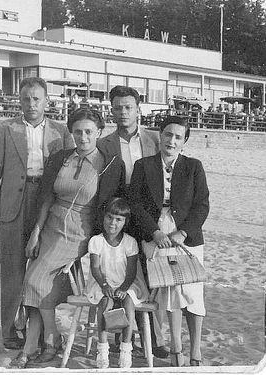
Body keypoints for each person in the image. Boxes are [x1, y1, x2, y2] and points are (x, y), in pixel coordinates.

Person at [10, 108, 125, 368]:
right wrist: (35, 234)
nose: (82, 137)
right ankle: (42, 344)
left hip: (80, 231)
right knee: (37, 283)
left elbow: (111, 207)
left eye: (88, 132)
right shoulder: (61, 157)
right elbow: (46, 198)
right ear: (70, 132)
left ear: (99, 132)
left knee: (34, 279)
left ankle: (47, 343)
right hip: (50, 225)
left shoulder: (109, 163)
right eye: (77, 132)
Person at [0, 77, 75, 350]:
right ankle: (9, 330)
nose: (31, 104)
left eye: (37, 99)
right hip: (12, 205)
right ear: (19, 101)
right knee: (12, 271)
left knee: (39, 270)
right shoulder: (5, 129)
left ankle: (35, 330)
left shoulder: (61, 132)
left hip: (47, 203)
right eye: (26, 99)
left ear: (47, 101)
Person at [129, 115, 209, 366]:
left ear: (184, 141)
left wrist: (182, 232)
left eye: (177, 137)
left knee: (192, 291)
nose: (171, 141)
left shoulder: (193, 166)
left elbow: (202, 205)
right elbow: (136, 204)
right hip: (155, 233)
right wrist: (155, 232)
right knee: (169, 291)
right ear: (160, 136)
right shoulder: (144, 165)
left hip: (187, 235)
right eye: (167, 135)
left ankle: (195, 352)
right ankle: (176, 349)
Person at [97, 85, 168, 358]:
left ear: (138, 109)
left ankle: (156, 338)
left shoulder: (153, 139)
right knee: (119, 275)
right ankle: (119, 335)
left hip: (148, 217)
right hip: (118, 216)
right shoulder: (104, 144)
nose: (123, 112)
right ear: (111, 110)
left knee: (151, 279)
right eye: (117, 107)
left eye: (128, 107)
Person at [85, 197, 149, 369]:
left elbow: (131, 272)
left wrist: (123, 288)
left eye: (118, 219)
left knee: (128, 302)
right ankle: (103, 348)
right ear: (103, 217)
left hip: (126, 284)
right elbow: (95, 268)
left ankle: (125, 348)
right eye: (109, 217)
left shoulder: (130, 242)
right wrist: (105, 285)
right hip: (102, 283)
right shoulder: (96, 241)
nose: (113, 223)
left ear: (125, 222)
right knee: (105, 303)